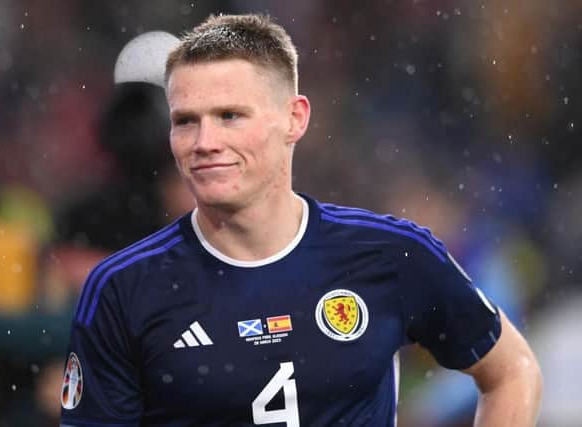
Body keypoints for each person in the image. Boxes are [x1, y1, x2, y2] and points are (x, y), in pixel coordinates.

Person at [60, 14, 542, 427]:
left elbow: (513, 370)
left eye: (230, 116)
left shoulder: (390, 255)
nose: (204, 141)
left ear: (294, 118)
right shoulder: (123, 290)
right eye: (186, 120)